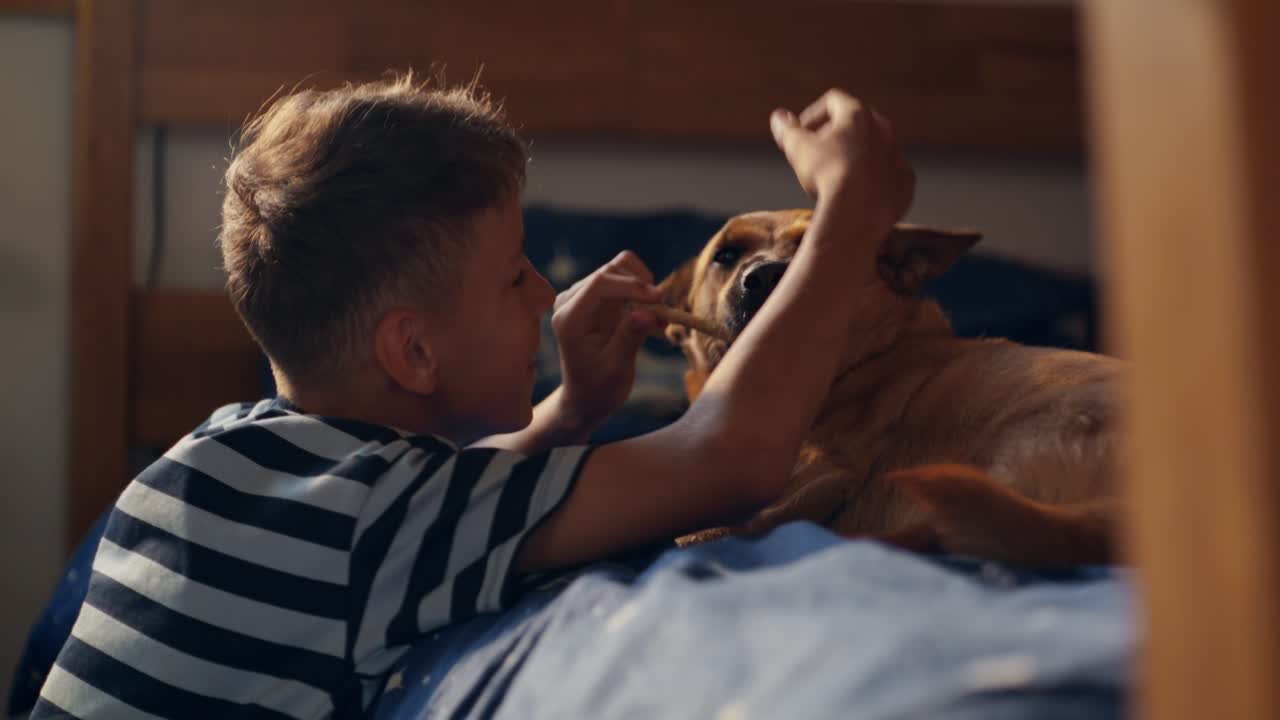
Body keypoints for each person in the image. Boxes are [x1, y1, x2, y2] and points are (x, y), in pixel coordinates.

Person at [33, 75, 913, 718]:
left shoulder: (214, 454)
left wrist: (569, 413)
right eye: (514, 277)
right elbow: (734, 457)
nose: (545, 296)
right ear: (413, 350)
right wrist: (849, 210)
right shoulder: (385, 523)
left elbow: (439, 497)